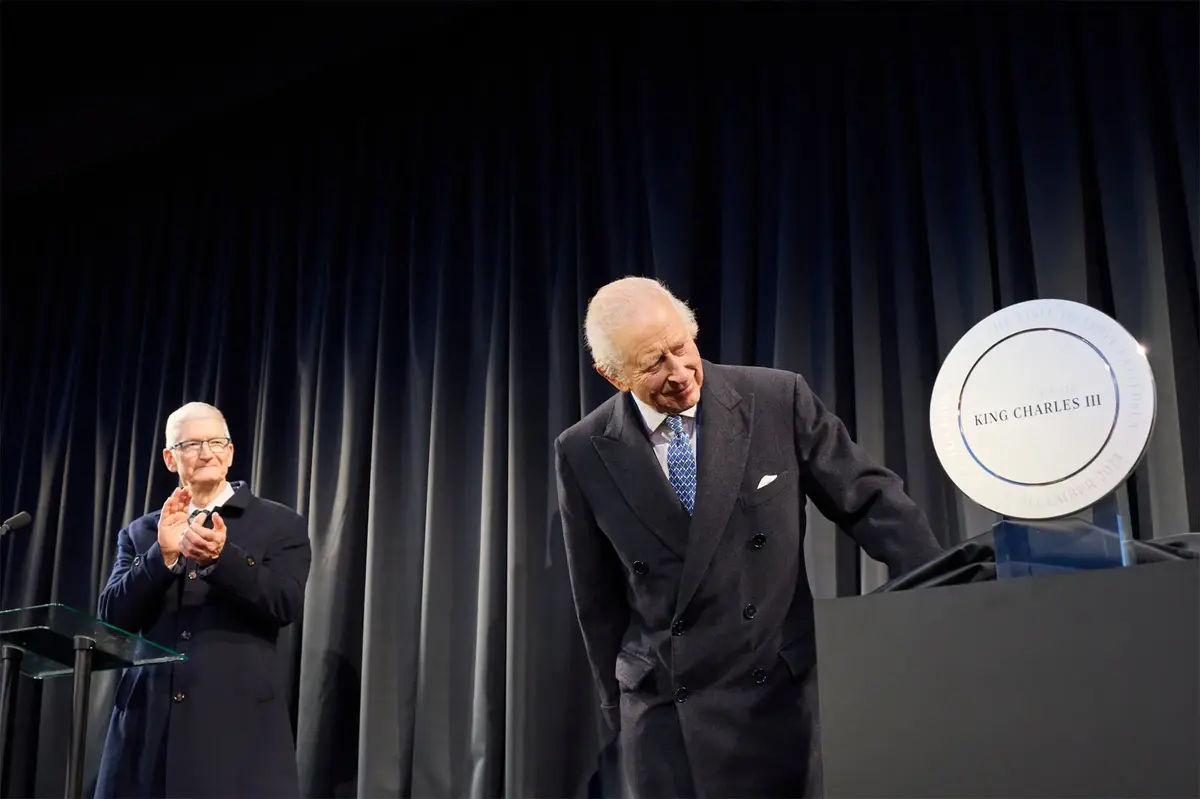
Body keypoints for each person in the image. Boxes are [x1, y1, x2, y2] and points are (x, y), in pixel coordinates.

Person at [555, 277, 944, 798]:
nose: (679, 373)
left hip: (776, 697)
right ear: (612, 375)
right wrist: (618, 709)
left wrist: (943, 594)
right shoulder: (582, 450)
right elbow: (596, 599)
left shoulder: (775, 398)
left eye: (681, 347)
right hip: (666, 713)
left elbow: (871, 503)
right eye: (653, 363)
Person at [94, 402, 311, 799]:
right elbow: (112, 618)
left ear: (230, 452)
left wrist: (223, 559)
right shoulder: (141, 532)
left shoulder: (280, 523)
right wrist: (162, 558)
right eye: (192, 444)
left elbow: (285, 603)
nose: (206, 453)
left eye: (216, 442)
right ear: (169, 457)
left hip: (237, 729)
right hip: (148, 728)